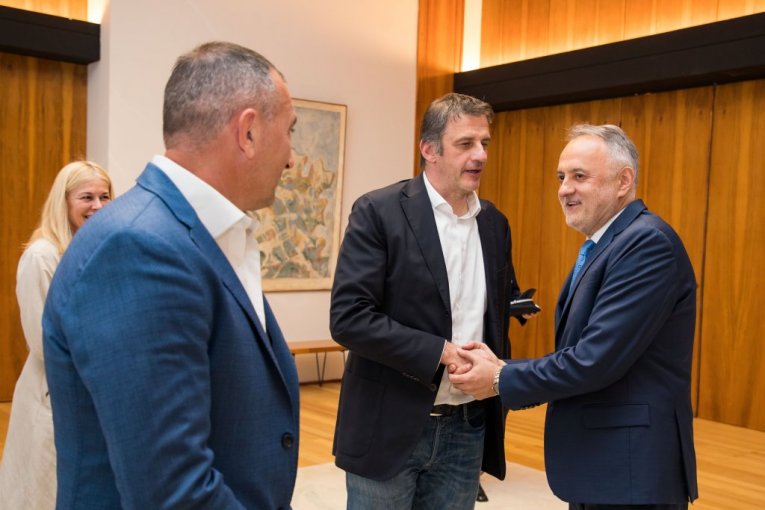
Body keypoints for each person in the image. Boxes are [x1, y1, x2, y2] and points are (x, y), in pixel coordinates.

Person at [42, 42, 299, 509]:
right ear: (248, 132)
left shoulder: (202, 235)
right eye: (290, 131)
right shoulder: (137, 247)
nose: (292, 158)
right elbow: (172, 490)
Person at [450, 124, 698, 509]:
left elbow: (594, 360)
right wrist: (502, 366)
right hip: (605, 465)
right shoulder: (607, 244)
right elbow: (583, 353)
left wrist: (499, 378)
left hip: (630, 470)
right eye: (561, 177)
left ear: (623, 181)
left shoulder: (646, 244)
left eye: (579, 176)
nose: (565, 189)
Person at [330, 92, 532, 509]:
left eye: (484, 143)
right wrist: (440, 352)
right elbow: (349, 318)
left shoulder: (495, 224)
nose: (480, 155)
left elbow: (495, 321)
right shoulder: (378, 212)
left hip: (467, 429)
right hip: (388, 424)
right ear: (429, 149)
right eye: (465, 144)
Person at [0, 161, 112, 509]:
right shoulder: (42, 256)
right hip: (54, 392)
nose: (97, 206)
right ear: (63, 201)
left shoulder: (99, 249)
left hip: (93, 390)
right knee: (42, 491)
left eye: (105, 196)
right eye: (86, 197)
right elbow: (42, 341)